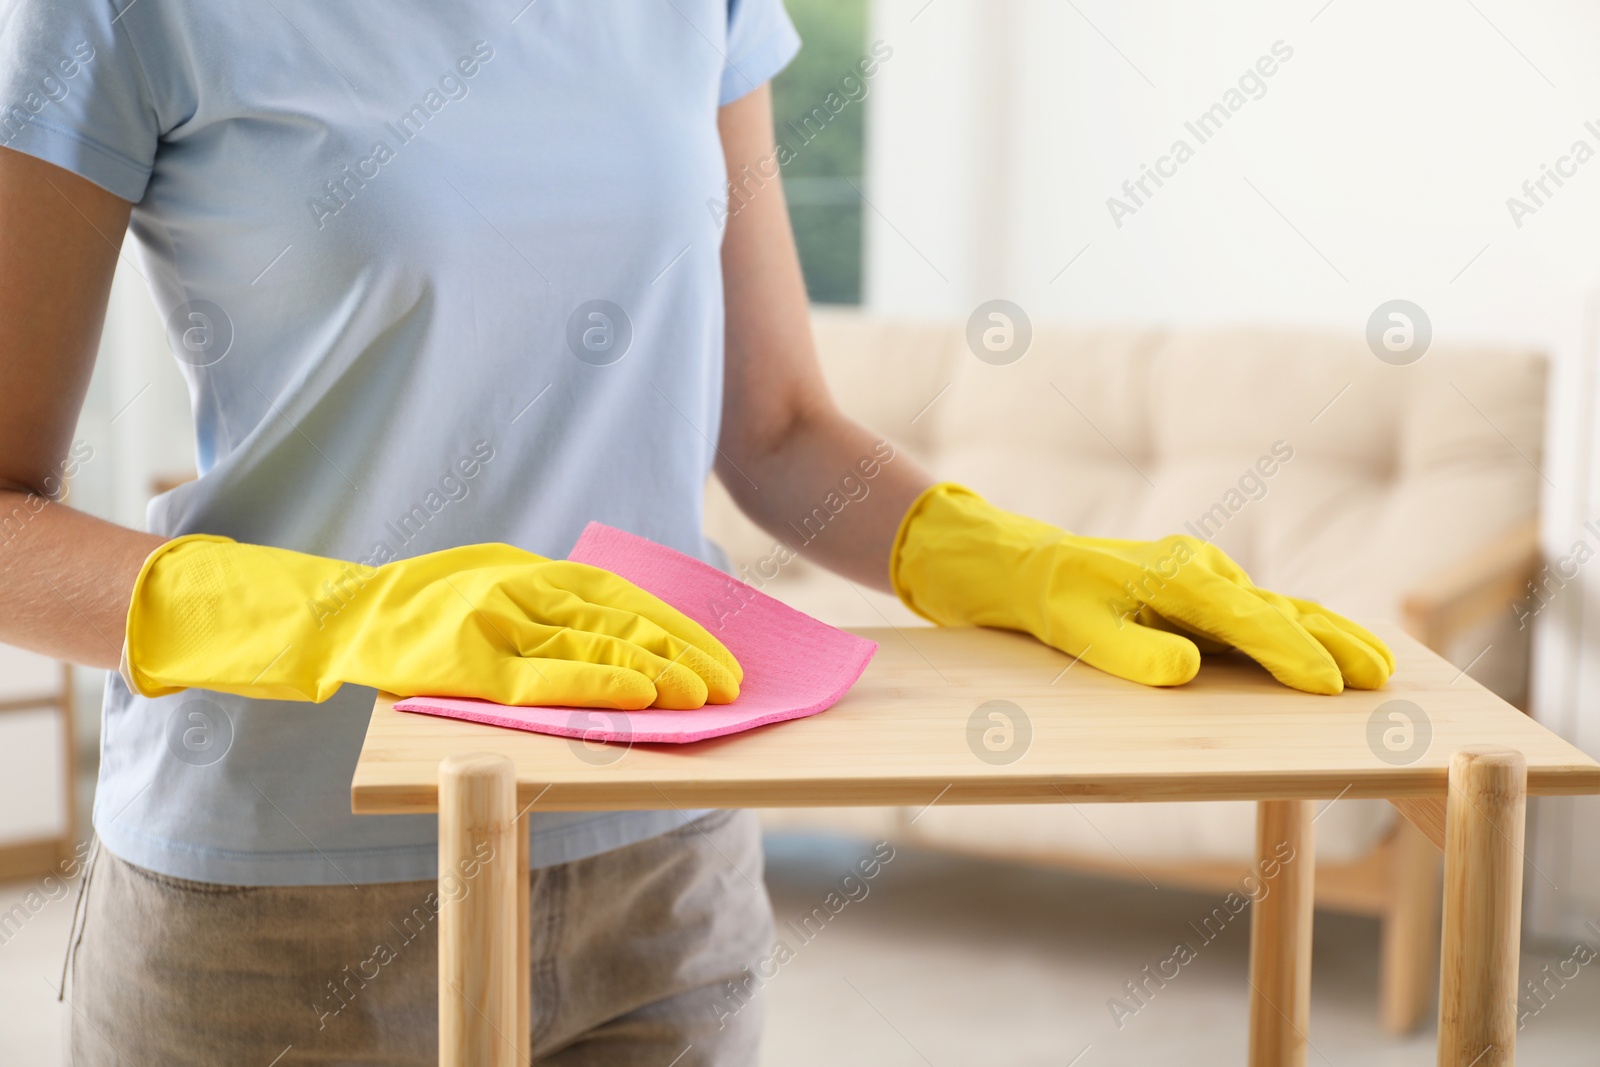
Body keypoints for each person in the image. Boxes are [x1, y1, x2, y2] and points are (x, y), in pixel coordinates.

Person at [0, 1, 1392, 1063]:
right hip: (276, 902)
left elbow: (778, 428)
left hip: (659, 876)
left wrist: (1015, 561)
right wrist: (337, 618)